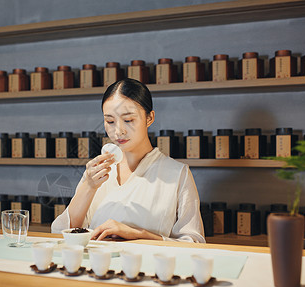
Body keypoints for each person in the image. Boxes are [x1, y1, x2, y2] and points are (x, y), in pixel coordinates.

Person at [51, 78, 205, 243]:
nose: (118, 131)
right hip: (98, 266)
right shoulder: (98, 172)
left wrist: (140, 234)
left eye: (128, 120)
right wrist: (88, 186)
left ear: (149, 118)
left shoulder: (177, 174)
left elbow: (195, 243)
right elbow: (60, 234)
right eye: (110, 121)